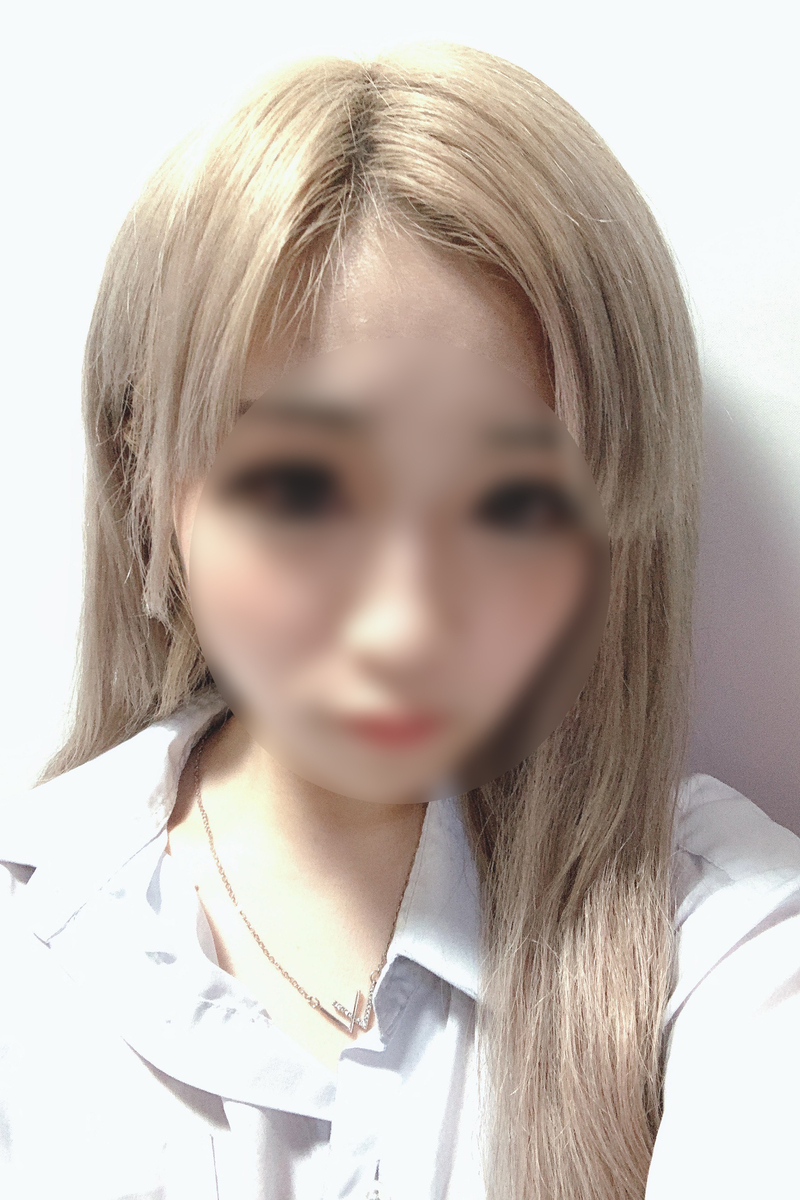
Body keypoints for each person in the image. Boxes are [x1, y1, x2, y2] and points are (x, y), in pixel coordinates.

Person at [1, 41, 799, 1200]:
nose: (401, 622)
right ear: (145, 482)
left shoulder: (723, 943)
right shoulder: (35, 957)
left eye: (511, 503)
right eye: (299, 488)